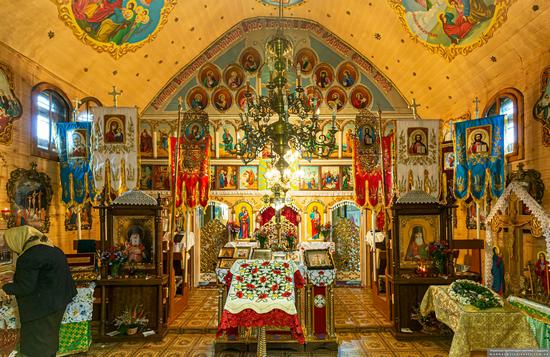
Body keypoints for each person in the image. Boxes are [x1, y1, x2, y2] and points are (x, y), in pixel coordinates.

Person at [1, 226, 76, 357]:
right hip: (58, 302)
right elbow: (45, 274)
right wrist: (17, 276)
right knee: (49, 341)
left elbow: (24, 288)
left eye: (9, 245)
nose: (11, 249)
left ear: (16, 240)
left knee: (37, 347)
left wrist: (3, 287)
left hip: (41, 309)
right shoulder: (51, 248)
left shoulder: (28, 256)